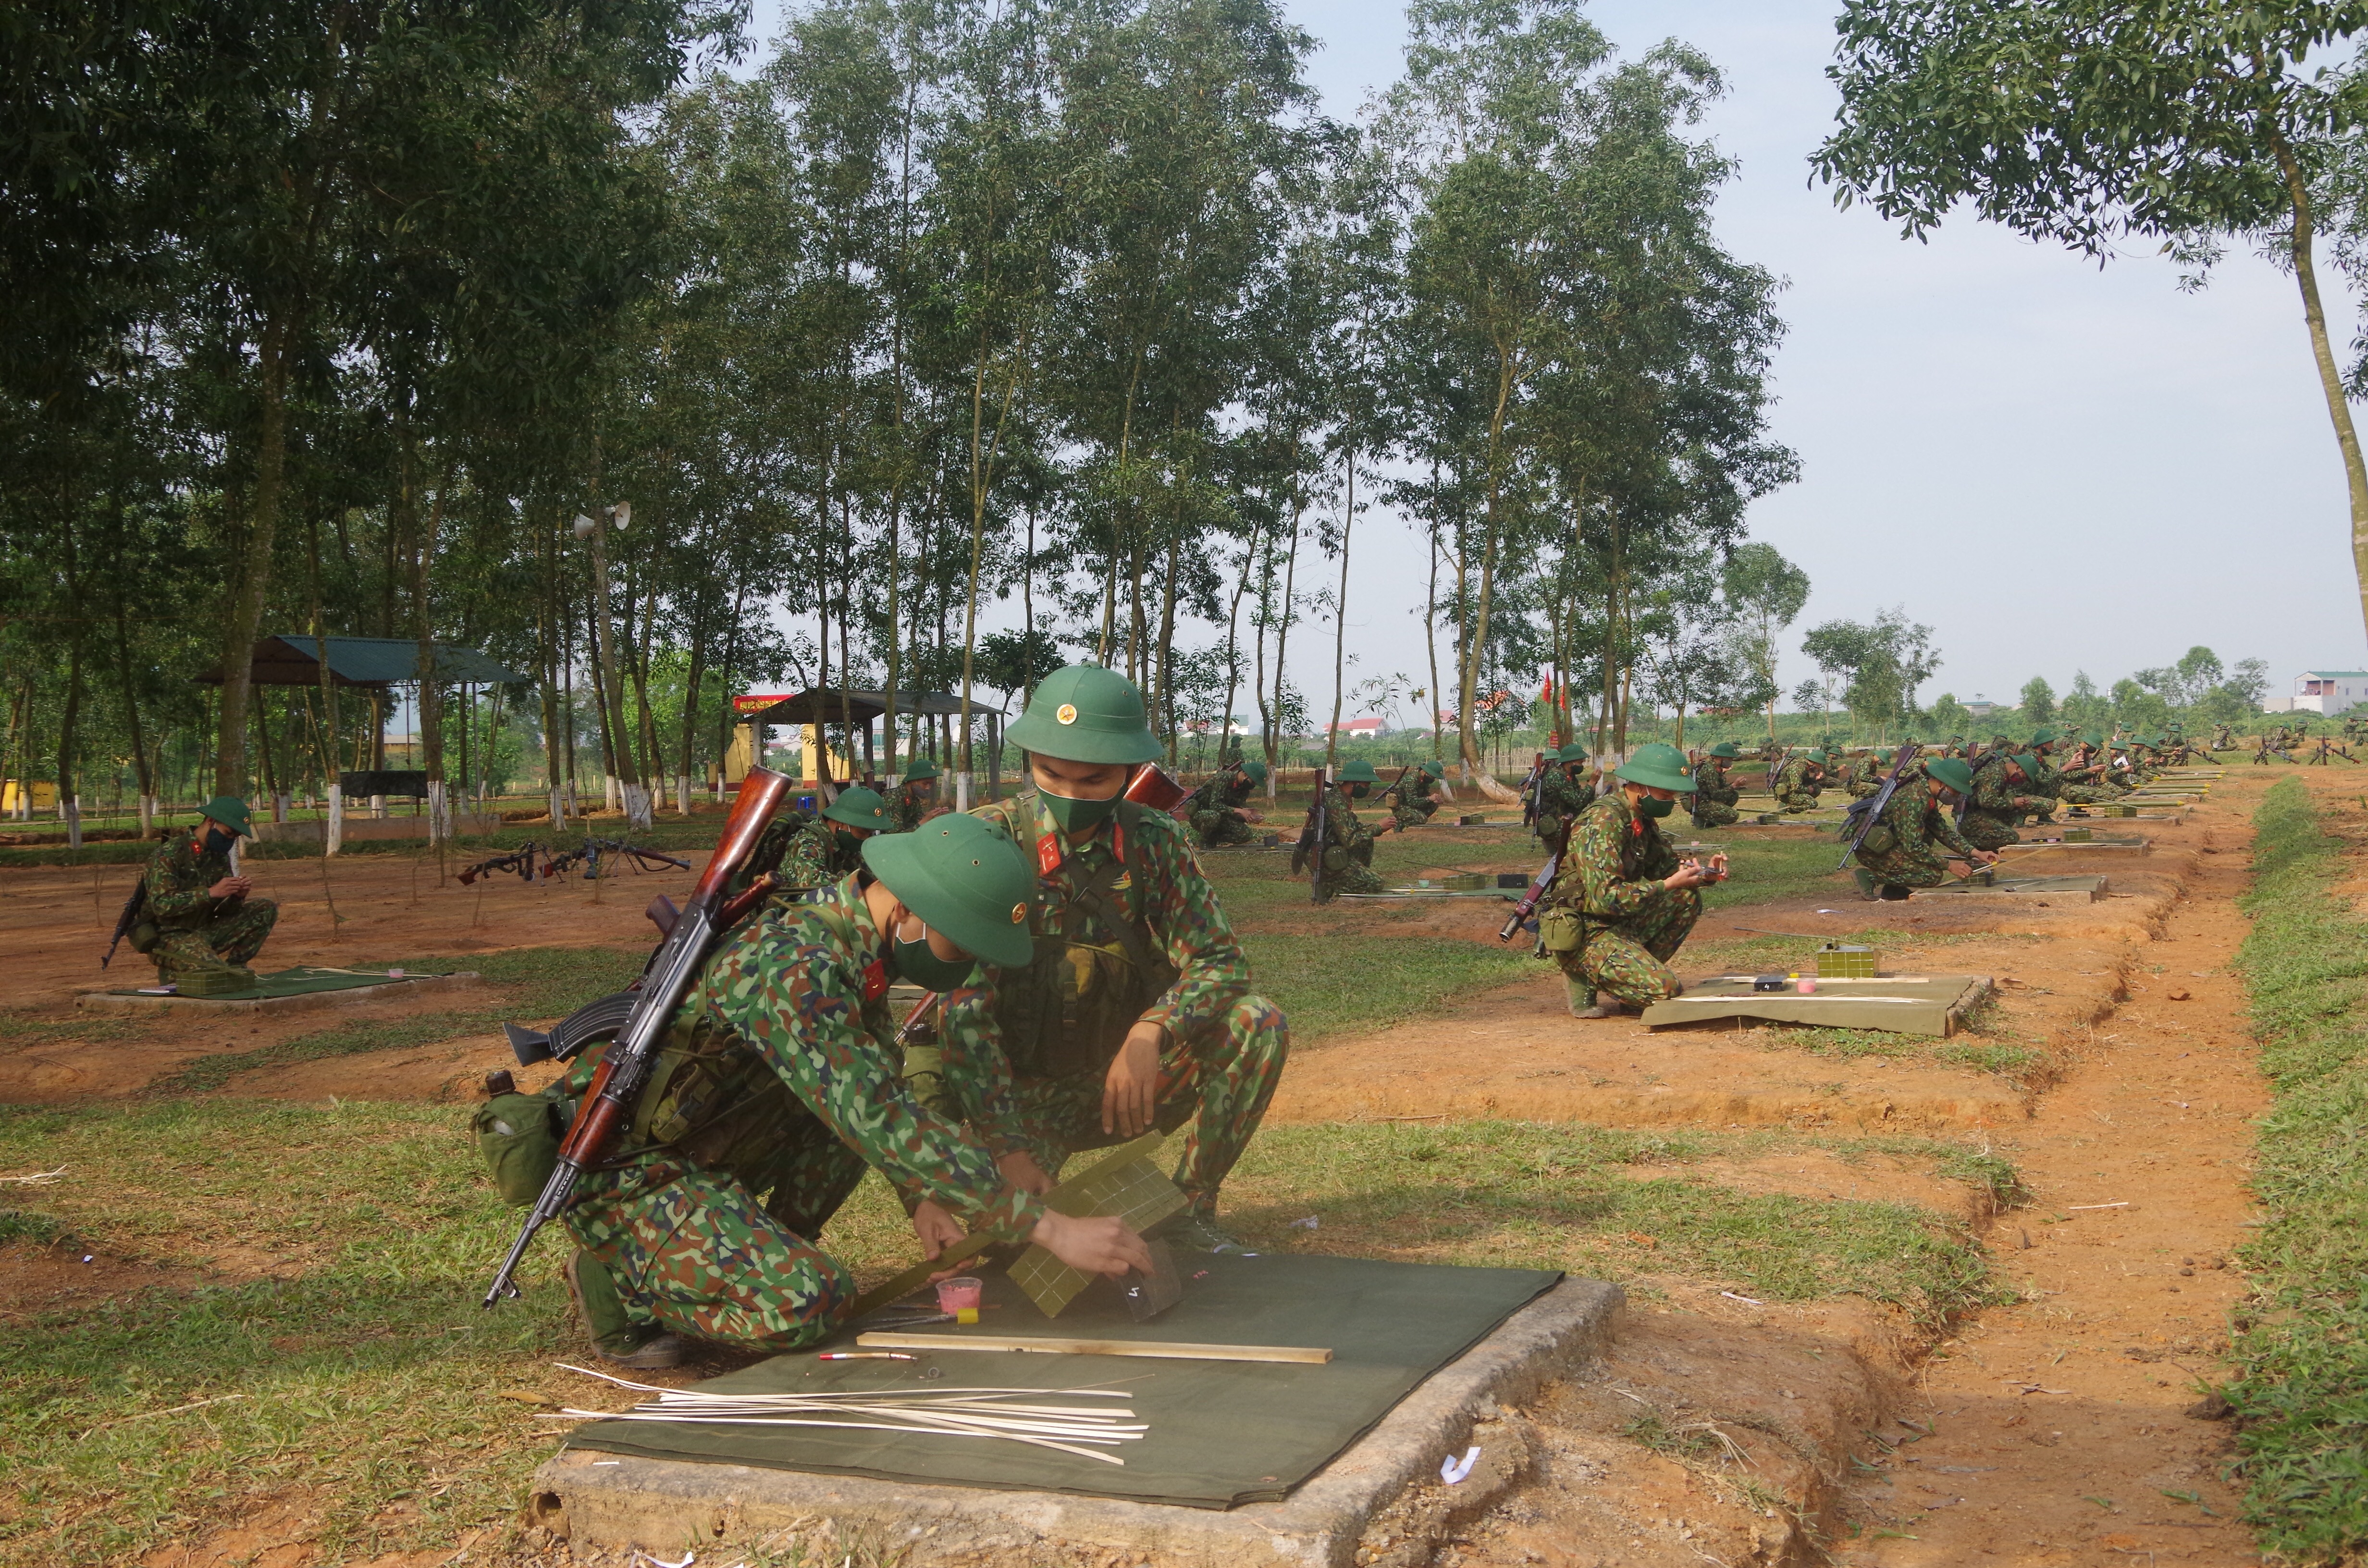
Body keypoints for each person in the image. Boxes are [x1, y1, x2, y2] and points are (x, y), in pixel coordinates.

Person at [549, 810, 1152, 1365]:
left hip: (708, 1143)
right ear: (909, 910)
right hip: (630, 1171)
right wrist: (1049, 1227)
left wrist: (921, 1198)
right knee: (809, 1303)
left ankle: (748, 1253)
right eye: (961, 942)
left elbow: (876, 1091)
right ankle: (624, 1280)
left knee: (845, 1137)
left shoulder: (852, 951)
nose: (966, 964)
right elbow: (879, 1117)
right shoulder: (792, 963)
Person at [934, 664, 1289, 1254]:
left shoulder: (1155, 841)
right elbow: (962, 1015)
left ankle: (1188, 1207)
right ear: (1028, 761)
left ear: (1128, 772)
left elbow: (1219, 961)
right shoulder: (986, 844)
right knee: (1003, 1247)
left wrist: (1152, 1031)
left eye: (1094, 779)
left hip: (1126, 1084)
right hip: (1021, 1104)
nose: (1070, 794)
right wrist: (1007, 1148)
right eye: (1050, 773)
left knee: (1257, 1022)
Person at [1540, 743, 1724, 1020]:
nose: (1671, 800)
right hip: (1588, 928)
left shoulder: (1639, 818)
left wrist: (1705, 875)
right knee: (1665, 991)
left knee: (1686, 898)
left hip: (1619, 922)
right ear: (1641, 787)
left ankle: (1632, 982)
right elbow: (1606, 899)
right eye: (1666, 793)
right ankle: (1581, 972)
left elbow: (1666, 866)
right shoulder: (1603, 821)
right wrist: (1667, 885)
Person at [136, 796, 278, 996]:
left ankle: (236, 967)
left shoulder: (218, 857)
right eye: (228, 833)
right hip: (169, 935)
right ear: (211, 821)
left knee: (265, 908)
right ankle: (179, 970)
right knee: (212, 973)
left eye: (236, 837)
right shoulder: (169, 854)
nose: (230, 840)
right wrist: (210, 893)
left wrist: (237, 896)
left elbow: (228, 911)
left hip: (205, 930)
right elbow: (162, 905)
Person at [1848, 757, 1996, 899]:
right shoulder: (1914, 800)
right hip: (1874, 849)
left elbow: (1943, 831)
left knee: (1928, 840)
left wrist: (1976, 853)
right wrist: (1949, 865)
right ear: (1942, 783)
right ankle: (1870, 877)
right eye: (1955, 790)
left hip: (1890, 843)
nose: (1956, 796)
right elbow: (1913, 846)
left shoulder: (1926, 795)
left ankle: (1894, 887)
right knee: (1931, 876)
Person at [762, 786, 891, 892]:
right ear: (842, 823)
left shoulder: (844, 842)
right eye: (864, 832)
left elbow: (867, 871)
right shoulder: (807, 842)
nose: (867, 838)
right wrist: (862, 882)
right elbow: (813, 884)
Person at [1306, 758, 1386, 898]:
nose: (1368, 788)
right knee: (1376, 884)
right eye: (1366, 784)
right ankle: (1330, 883)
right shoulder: (1336, 803)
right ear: (1354, 783)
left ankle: (1350, 875)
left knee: (1367, 841)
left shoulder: (1341, 799)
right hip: (1326, 858)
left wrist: (1378, 828)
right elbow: (1350, 839)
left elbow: (1353, 827)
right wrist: (1378, 827)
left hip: (1335, 852)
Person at [1961, 751, 2046, 852]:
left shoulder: (2002, 774)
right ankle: (1972, 843)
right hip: (1970, 818)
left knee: (2013, 811)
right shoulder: (1996, 774)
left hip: (1977, 814)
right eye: (2024, 777)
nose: (2022, 781)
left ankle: (1988, 840)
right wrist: (2012, 803)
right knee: (2012, 837)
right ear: (2018, 769)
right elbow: (1986, 801)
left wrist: (2015, 803)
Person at [1185, 757, 1268, 848]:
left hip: (1222, 817)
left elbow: (1234, 812)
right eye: (1253, 782)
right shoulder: (1224, 778)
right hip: (1203, 815)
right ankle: (1205, 841)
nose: (1253, 786)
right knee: (1213, 816)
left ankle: (1213, 838)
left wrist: (1249, 816)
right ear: (1245, 775)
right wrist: (1239, 811)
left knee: (1245, 834)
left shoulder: (1244, 790)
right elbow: (1215, 805)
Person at [1534, 744, 1592, 841]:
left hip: (1565, 817)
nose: (1582, 765)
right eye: (1580, 762)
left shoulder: (1569, 776)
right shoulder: (1557, 777)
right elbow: (1577, 802)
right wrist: (1592, 784)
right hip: (1554, 824)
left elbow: (1580, 798)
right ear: (1570, 762)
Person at [1690, 742, 1742, 829]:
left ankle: (1711, 818)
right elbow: (1717, 795)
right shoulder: (1710, 770)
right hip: (1702, 803)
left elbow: (1721, 789)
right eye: (1730, 759)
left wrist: (1733, 787)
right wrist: (1734, 785)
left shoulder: (1715, 768)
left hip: (1708, 799)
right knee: (1733, 815)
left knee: (1733, 795)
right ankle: (1705, 818)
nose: (1731, 762)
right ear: (1722, 758)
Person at [1386, 760, 1447, 832]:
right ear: (1427, 773)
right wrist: (1429, 799)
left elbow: (1426, 796)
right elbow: (1412, 801)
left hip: (1411, 806)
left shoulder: (1424, 780)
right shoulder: (1412, 780)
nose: (1433, 780)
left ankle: (1412, 818)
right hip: (1401, 807)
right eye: (1433, 777)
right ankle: (1399, 823)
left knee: (1433, 805)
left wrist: (1435, 800)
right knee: (1422, 819)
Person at [889, 757, 943, 832]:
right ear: (913, 781)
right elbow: (895, 836)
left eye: (931, 784)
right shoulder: (894, 798)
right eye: (925, 784)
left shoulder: (914, 799)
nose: (928, 788)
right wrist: (925, 820)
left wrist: (935, 817)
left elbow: (918, 822)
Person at [1770, 747, 1829, 816]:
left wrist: (1814, 778)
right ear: (1815, 762)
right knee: (1813, 804)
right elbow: (1796, 787)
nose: (1821, 766)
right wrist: (1808, 790)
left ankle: (1799, 802)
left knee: (1817, 788)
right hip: (1787, 793)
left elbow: (1802, 780)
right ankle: (1787, 806)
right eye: (1821, 764)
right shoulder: (1799, 767)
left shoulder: (1804, 763)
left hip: (1791, 789)